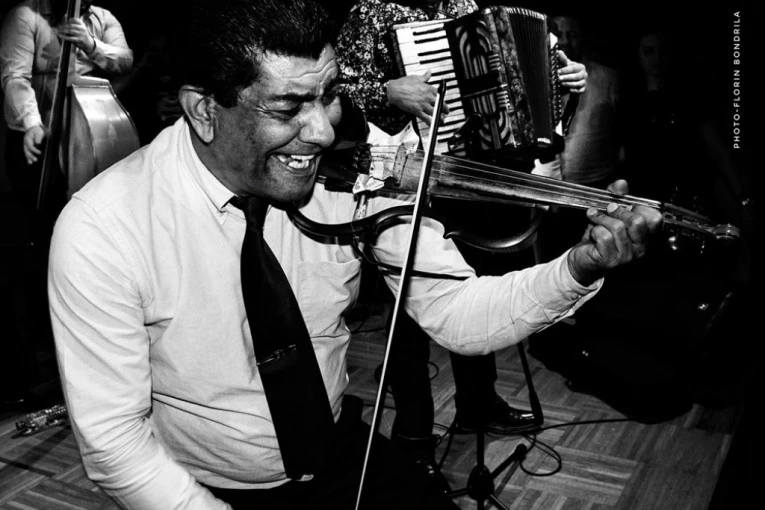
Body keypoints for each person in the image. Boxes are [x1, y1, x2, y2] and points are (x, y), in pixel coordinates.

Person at [47, 0, 662, 509]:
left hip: (341, 452)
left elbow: (458, 315)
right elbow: (115, 444)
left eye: (330, 95)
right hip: (197, 487)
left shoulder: (352, 173)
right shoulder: (105, 227)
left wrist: (577, 266)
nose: (321, 131)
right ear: (205, 110)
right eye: (288, 107)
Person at [334, 0, 588, 491]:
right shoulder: (369, 11)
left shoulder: (467, 7)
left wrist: (563, 83)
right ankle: (413, 434)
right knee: (407, 320)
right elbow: (328, 95)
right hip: (402, 184)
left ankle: (478, 404)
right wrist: (386, 90)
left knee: (476, 293)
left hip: (466, 179)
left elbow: (515, 95)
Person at [0, 0, 132, 409]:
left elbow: (124, 60)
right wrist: (32, 123)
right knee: (40, 244)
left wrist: (92, 45)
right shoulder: (26, 16)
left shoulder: (101, 17)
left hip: (87, 137)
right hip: (38, 138)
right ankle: (43, 361)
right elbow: (15, 76)